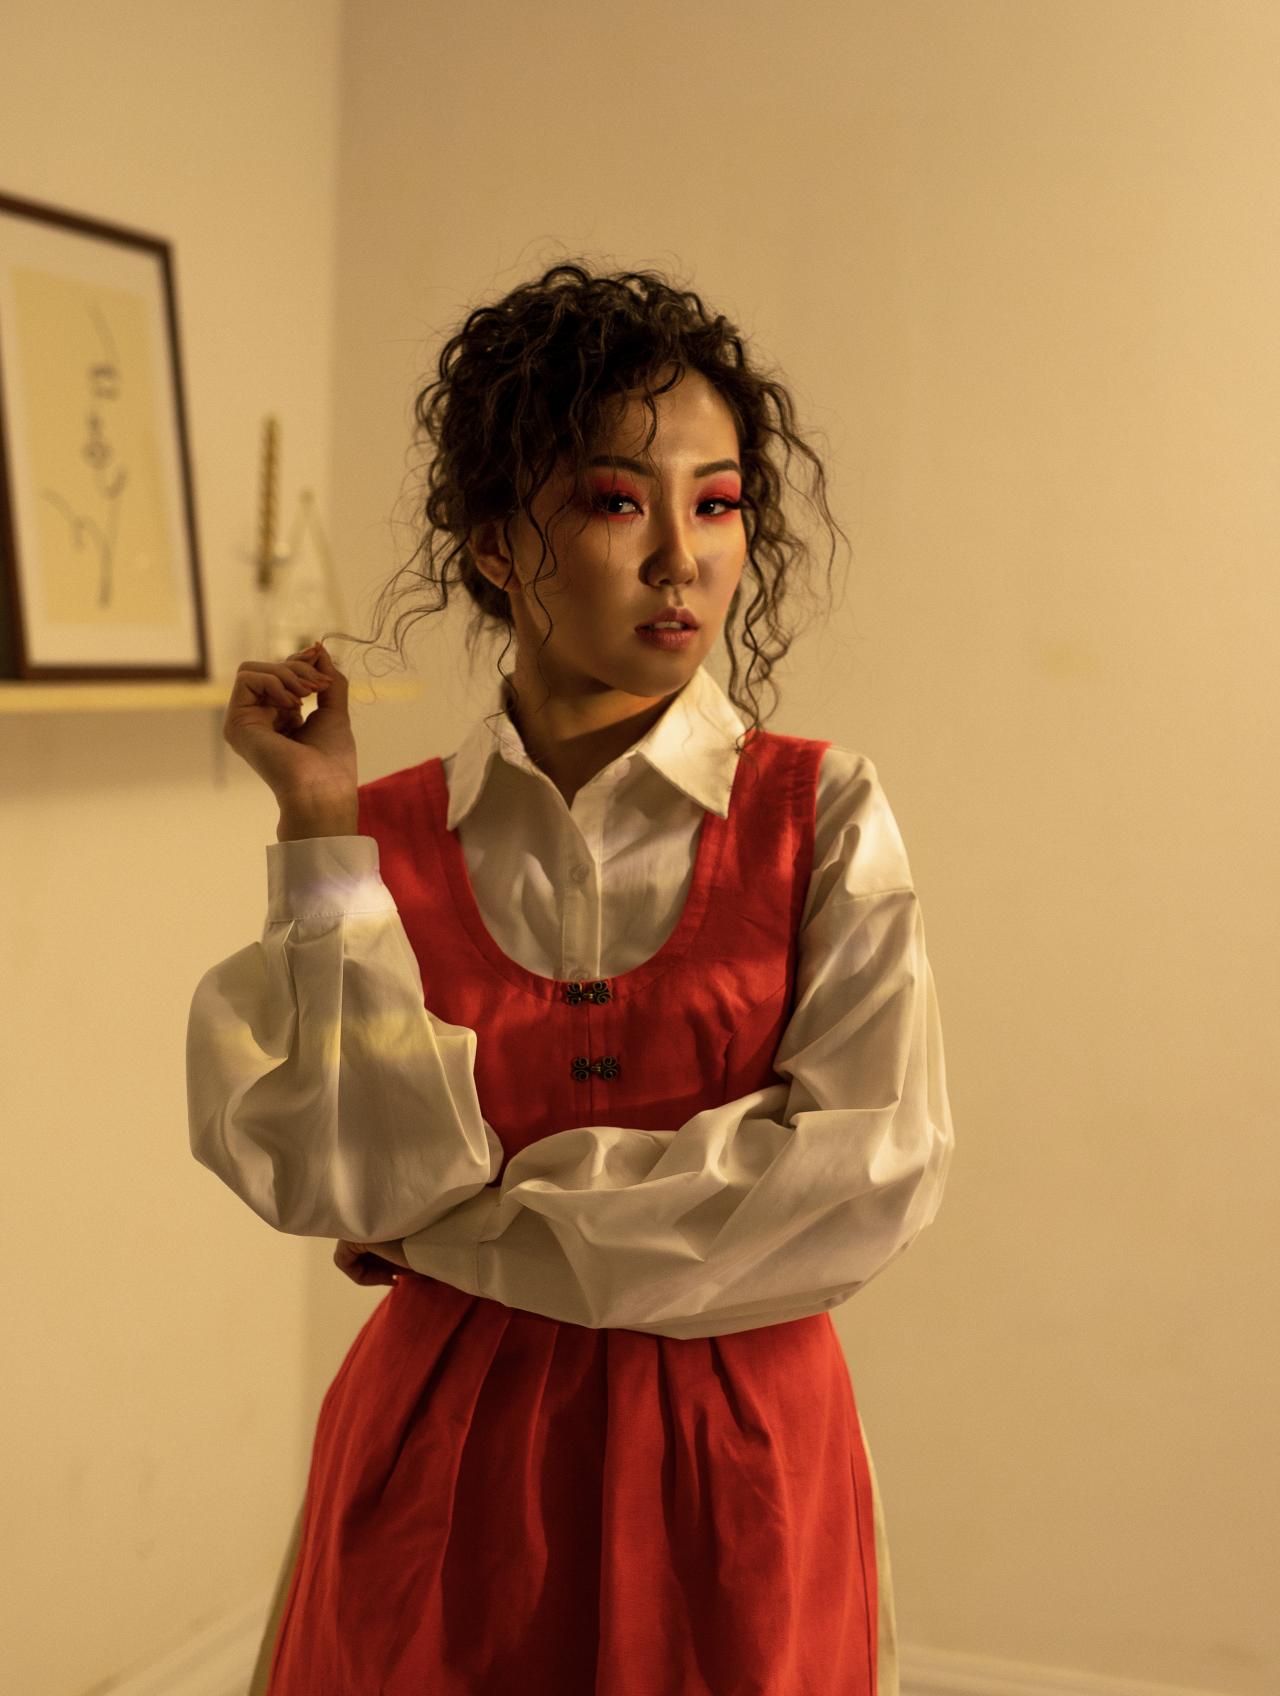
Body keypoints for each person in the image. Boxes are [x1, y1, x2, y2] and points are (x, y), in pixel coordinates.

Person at [188, 262, 954, 1696]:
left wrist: (456, 1229)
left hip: (743, 1459)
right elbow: (348, 1177)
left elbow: (860, 1182)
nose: (683, 559)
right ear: (495, 541)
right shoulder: (376, 837)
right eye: (616, 502)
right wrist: (319, 832)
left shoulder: (824, 814)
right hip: (445, 1457)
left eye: (716, 504)